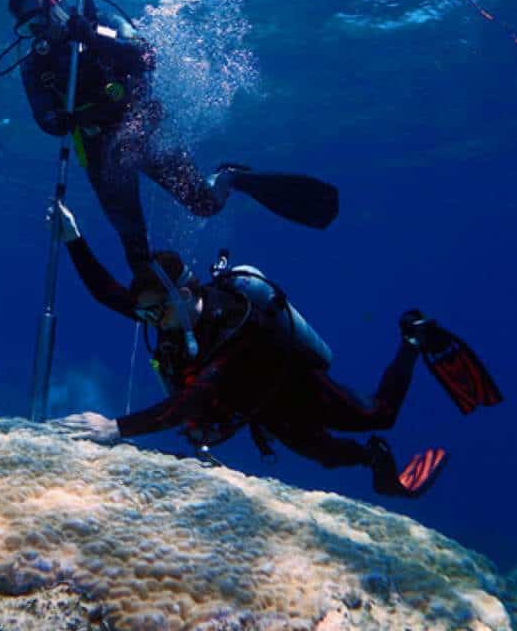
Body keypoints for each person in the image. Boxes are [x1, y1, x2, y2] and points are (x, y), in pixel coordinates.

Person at [51, 202, 502, 498]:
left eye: (157, 312)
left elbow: (194, 400)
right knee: (324, 455)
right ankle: (376, 457)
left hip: (297, 389)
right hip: (259, 407)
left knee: (378, 415)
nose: (152, 323)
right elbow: (108, 294)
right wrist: (73, 238)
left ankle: (411, 339)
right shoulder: (169, 313)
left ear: (185, 295)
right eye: (146, 315)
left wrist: (117, 427)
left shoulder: (239, 324)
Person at [0, 0, 339, 272]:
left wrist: (94, 39)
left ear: (54, 3)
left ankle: (229, 178)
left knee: (204, 205)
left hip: (143, 128)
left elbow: (146, 56)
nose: (40, 32)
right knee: (134, 244)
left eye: (40, 19)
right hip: (100, 150)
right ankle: (158, 304)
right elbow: (45, 119)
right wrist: (61, 118)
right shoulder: (35, 65)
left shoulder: (100, 24)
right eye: (28, 28)